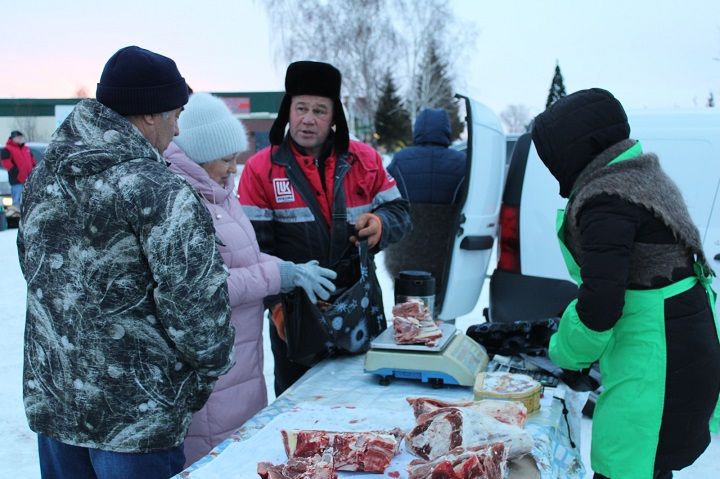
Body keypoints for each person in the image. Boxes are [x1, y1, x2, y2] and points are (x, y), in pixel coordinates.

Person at [17, 46, 236, 479]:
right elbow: (195, 306)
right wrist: (206, 370)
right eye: (175, 113)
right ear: (149, 113)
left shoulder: (44, 176)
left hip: (57, 404)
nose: (177, 128)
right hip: (137, 417)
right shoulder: (157, 189)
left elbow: (33, 265)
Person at [532, 88, 720, 479]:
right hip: (683, 337)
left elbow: (601, 306)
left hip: (657, 360)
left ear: (572, 152)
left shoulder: (606, 199)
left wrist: (565, 350)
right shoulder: (641, 174)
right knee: (650, 466)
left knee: (626, 465)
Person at [164, 92, 336, 465]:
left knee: (242, 456)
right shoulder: (182, 201)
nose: (233, 169)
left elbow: (247, 256)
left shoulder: (220, 196)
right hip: (213, 377)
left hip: (242, 364)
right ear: (199, 156)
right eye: (226, 160)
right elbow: (206, 286)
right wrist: (279, 274)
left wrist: (293, 271)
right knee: (214, 462)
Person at [239, 61, 411, 396]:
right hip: (297, 316)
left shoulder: (366, 160)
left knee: (365, 402)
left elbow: (400, 212)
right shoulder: (261, 169)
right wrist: (277, 307)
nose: (308, 119)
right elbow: (254, 249)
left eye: (320, 110)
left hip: (361, 309)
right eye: (300, 108)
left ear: (335, 117)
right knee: (299, 409)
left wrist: (380, 223)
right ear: (287, 111)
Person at [384, 108, 466, 317]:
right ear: (446, 130)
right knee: (443, 308)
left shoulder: (401, 159)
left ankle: (407, 339)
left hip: (405, 246)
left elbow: (386, 196)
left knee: (407, 305)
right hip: (444, 249)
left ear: (417, 129)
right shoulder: (461, 162)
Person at [1, 130, 36, 206]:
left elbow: (32, 161)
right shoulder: (7, 149)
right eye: (18, 138)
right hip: (17, 180)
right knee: (17, 201)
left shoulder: (26, 148)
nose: (20, 139)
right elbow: (6, 163)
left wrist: (34, 169)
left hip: (29, 180)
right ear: (13, 138)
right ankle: (16, 216)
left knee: (28, 202)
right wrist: (16, 172)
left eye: (21, 137)